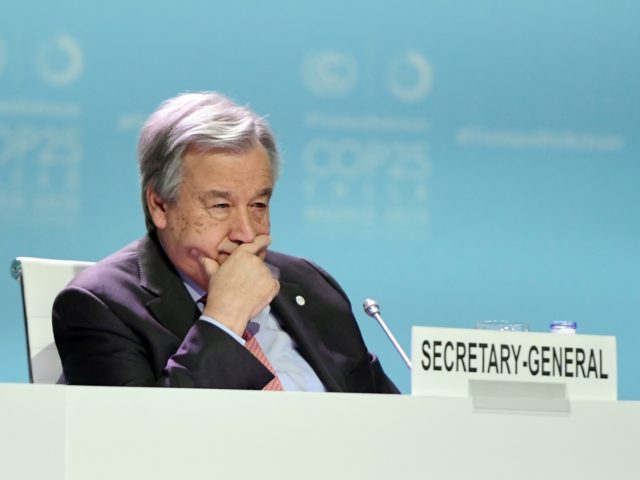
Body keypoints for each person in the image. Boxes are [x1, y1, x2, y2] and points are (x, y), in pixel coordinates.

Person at [53, 91, 398, 393]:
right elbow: (142, 443)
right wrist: (224, 318)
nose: (247, 234)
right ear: (160, 206)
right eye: (220, 206)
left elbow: (388, 421)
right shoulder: (100, 307)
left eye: (258, 205)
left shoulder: (309, 285)